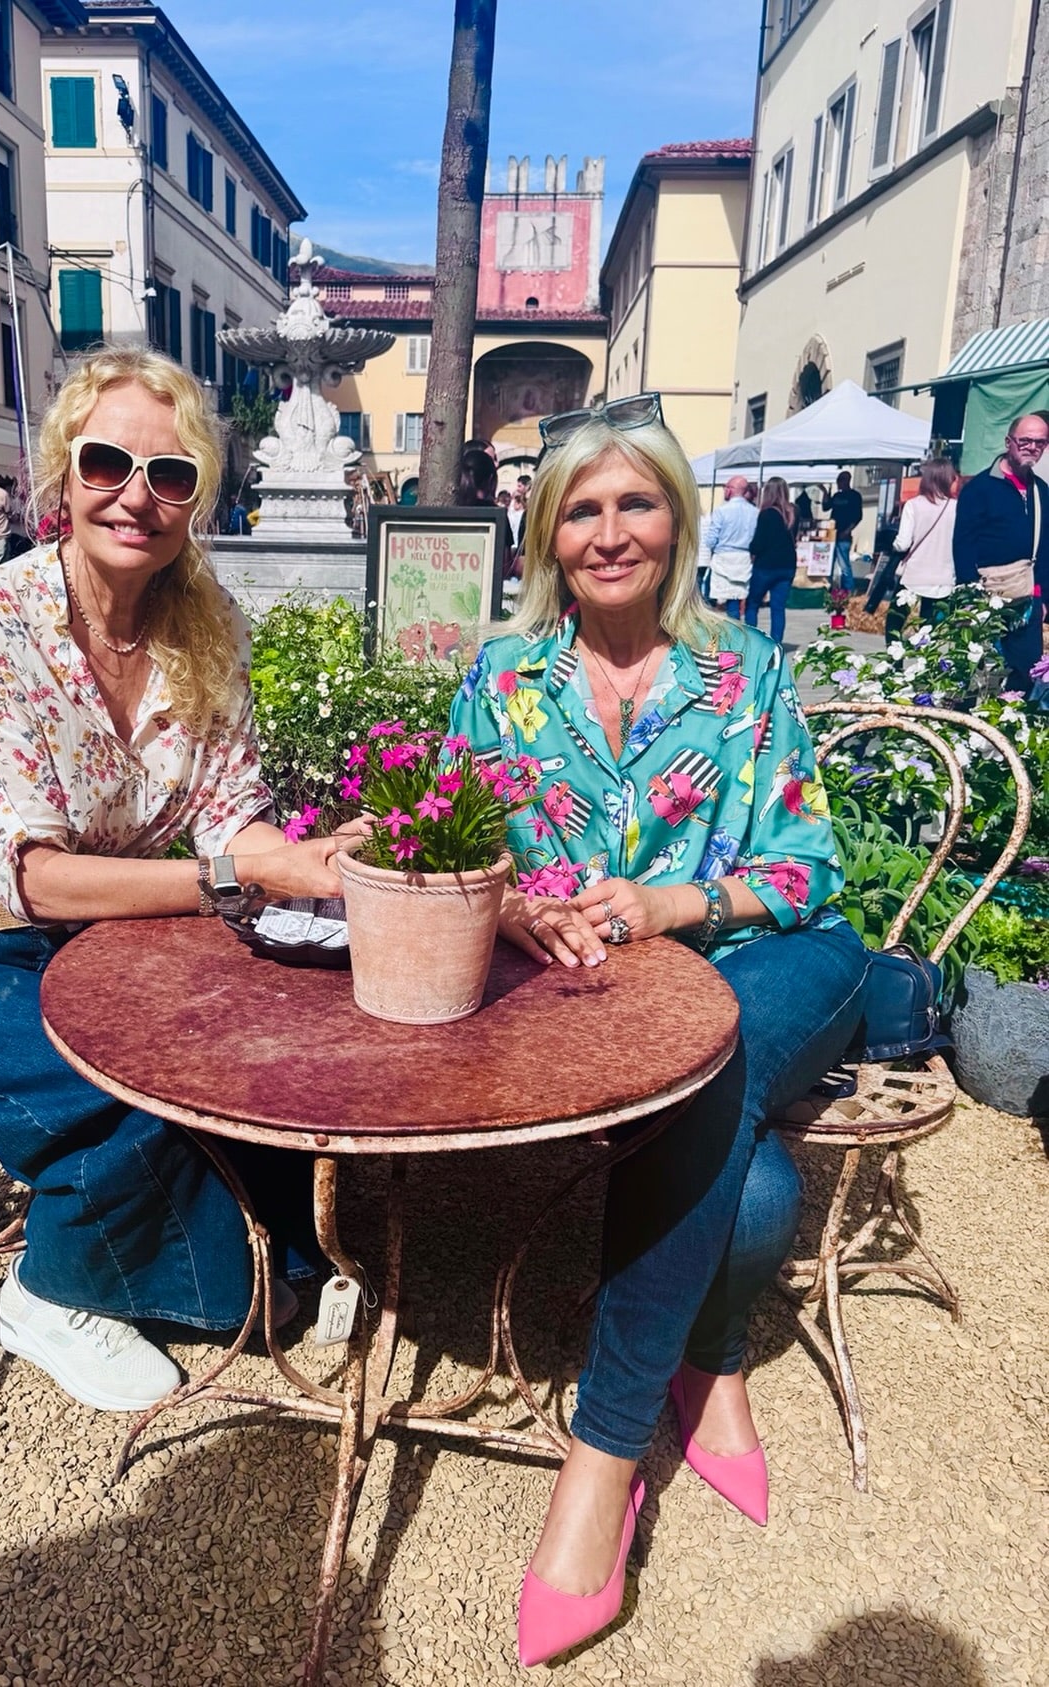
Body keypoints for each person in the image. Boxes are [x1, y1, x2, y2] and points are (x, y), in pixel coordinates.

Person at [0, 348, 345, 1415]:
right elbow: (38, 880)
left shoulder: (209, 628)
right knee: (128, 1097)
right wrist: (241, 873)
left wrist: (309, 862)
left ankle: (265, 1257)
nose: (137, 496)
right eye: (108, 463)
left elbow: (232, 810)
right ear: (62, 475)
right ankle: (51, 1293)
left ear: (197, 499)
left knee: (242, 1059)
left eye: (171, 475)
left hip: (74, 948)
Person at [449, 398, 867, 1667]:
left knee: (714, 1057)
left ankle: (603, 1457)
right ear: (547, 535)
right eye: (583, 509)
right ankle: (712, 1352)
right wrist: (517, 907)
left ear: (678, 521)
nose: (611, 531)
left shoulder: (747, 672)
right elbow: (452, 846)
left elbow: (809, 866)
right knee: (753, 1197)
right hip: (603, 997)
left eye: (636, 502)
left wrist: (676, 905)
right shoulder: (503, 680)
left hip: (769, 957)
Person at [953, 412, 1049, 691]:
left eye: (1040, 443)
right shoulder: (980, 488)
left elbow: (1045, 547)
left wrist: (1044, 598)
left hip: (1028, 598)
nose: (1032, 447)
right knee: (979, 677)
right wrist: (969, 597)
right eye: (1025, 441)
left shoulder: (1041, 491)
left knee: (1025, 675)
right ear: (1009, 442)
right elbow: (963, 545)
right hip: (986, 596)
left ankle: (1013, 718)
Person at [884, 458, 959, 638]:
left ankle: (895, 654)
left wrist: (892, 544)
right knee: (929, 631)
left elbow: (903, 543)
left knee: (894, 623)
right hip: (944, 578)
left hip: (914, 576)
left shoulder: (913, 505)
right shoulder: (957, 507)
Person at [745, 476, 797, 645]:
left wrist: (751, 550)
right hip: (787, 565)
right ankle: (776, 644)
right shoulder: (793, 513)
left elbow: (758, 543)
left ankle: (752, 641)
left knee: (753, 603)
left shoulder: (766, 514)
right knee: (778, 607)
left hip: (767, 565)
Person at [701, 474, 757, 618]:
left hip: (723, 556)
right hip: (744, 557)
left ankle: (729, 626)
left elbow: (711, 539)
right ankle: (736, 624)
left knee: (716, 597)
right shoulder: (755, 512)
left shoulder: (721, 511)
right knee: (737, 598)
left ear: (730, 489)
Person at [822, 470, 862, 592]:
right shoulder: (836, 496)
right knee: (829, 564)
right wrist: (825, 492)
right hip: (832, 534)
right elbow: (825, 507)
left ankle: (848, 590)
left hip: (844, 536)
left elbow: (858, 516)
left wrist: (848, 531)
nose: (838, 483)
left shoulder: (854, 496)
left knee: (844, 565)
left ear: (847, 481)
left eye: (840, 480)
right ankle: (827, 588)